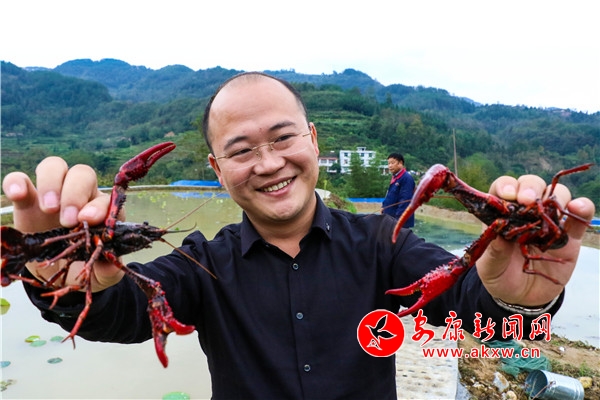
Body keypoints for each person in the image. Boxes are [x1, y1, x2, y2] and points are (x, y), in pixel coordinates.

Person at [2, 72, 594, 399]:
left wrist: (518, 301)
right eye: (241, 150)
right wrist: (64, 285)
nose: (268, 163)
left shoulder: (383, 243)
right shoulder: (200, 262)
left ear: (313, 139)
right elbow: (123, 311)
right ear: (216, 170)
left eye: (283, 138)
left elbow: (479, 315)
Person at [381, 153, 416, 228]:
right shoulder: (395, 178)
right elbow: (389, 196)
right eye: (388, 163)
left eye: (392, 163)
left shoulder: (406, 178)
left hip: (399, 222)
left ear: (400, 163)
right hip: (390, 219)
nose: (390, 166)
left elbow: (405, 201)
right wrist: (383, 207)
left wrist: (398, 221)